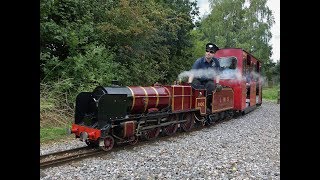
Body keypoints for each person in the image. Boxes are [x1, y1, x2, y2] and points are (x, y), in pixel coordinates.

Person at [188, 43, 222, 113]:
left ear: (214, 54)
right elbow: (192, 73)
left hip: (209, 81)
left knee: (211, 86)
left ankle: (206, 105)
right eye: (207, 51)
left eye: (211, 52)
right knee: (195, 84)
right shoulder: (198, 61)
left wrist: (218, 84)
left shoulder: (216, 62)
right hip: (198, 80)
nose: (208, 53)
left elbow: (218, 74)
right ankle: (193, 104)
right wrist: (189, 83)